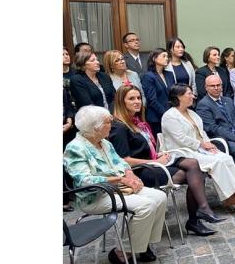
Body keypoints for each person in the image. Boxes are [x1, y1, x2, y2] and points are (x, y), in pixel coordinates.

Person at [109, 85, 225, 236]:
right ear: (121, 102)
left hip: (154, 164)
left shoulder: (137, 121)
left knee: (193, 165)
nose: (137, 101)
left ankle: (198, 215)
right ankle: (198, 216)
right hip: (140, 172)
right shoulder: (119, 127)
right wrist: (155, 162)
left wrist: (158, 156)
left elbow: (147, 149)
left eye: (138, 98)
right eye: (131, 98)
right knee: (196, 172)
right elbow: (124, 161)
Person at [64, 105, 166, 264]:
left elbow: (122, 164)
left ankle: (142, 245)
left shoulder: (104, 142)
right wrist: (121, 180)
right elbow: (85, 180)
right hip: (96, 196)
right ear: (95, 128)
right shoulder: (75, 148)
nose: (111, 124)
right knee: (146, 206)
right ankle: (122, 252)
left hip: (118, 189)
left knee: (160, 197)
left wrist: (131, 176)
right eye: (108, 122)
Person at [161, 84, 235, 206]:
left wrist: (210, 144)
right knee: (217, 162)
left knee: (225, 158)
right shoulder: (170, 116)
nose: (193, 96)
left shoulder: (192, 113)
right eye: (189, 94)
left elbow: (202, 133)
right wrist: (202, 144)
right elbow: (180, 139)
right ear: (179, 97)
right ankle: (232, 196)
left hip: (198, 149)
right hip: (182, 152)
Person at [141, 48, 176, 136]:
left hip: (171, 114)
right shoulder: (148, 76)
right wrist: (165, 113)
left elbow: (174, 94)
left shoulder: (170, 74)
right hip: (156, 117)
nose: (166, 59)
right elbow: (152, 100)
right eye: (163, 56)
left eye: (167, 56)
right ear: (154, 58)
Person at [63, 47, 77, 212]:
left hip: (68, 123)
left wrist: (68, 120)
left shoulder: (74, 74)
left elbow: (67, 104)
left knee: (69, 156)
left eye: (67, 53)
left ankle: (72, 190)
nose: (66, 56)